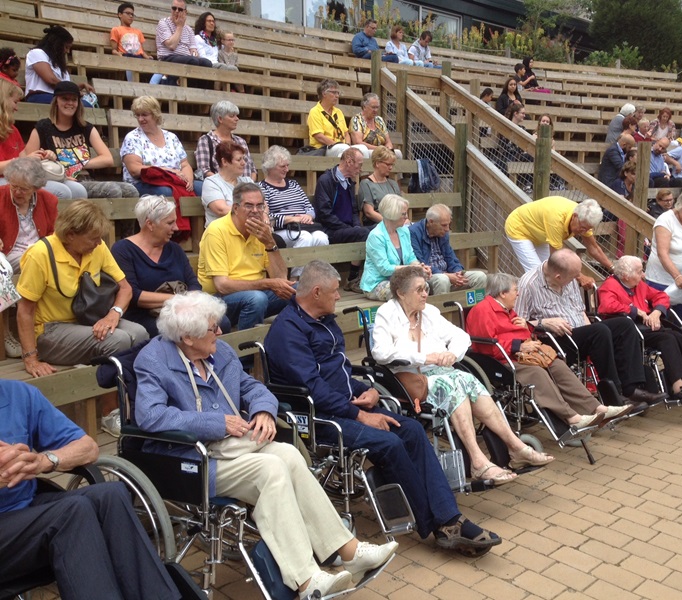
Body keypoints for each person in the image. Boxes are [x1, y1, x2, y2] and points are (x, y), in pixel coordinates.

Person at [134, 292, 397, 597]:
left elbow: (253, 386)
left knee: (288, 454)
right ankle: (307, 580)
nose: (220, 332)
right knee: (271, 469)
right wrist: (216, 422)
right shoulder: (154, 361)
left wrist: (262, 409)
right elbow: (150, 416)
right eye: (213, 328)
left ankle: (349, 552)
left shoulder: (219, 353)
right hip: (191, 459)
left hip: (234, 447)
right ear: (187, 337)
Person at [267, 261, 502, 553]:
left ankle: (448, 516)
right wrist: (361, 414)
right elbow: (312, 388)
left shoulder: (324, 321)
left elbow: (338, 374)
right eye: (335, 291)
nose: (340, 296)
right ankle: (436, 523)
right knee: (389, 442)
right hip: (318, 416)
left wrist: (367, 391)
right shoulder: (288, 332)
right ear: (316, 292)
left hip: (346, 404)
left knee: (413, 429)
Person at [0, 379, 196, 600]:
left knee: (111, 495)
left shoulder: (18, 394)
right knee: (72, 512)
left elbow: (88, 447)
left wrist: (44, 460)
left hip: (24, 511)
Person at [371, 266, 555, 483]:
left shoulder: (428, 312)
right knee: (457, 382)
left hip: (441, 371)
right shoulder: (387, 313)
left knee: (468, 380)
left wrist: (451, 354)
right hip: (409, 376)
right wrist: (426, 357)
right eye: (419, 290)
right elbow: (380, 353)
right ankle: (478, 461)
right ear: (401, 293)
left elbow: (461, 337)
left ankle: (516, 447)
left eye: (426, 288)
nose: (425, 294)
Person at [467, 273, 633, 428]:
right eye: (515, 290)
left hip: (525, 354)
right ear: (503, 293)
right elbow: (486, 345)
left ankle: (597, 409)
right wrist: (519, 346)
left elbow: (524, 334)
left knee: (557, 365)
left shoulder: (509, 310)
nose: (518, 294)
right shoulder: (482, 311)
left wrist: (527, 326)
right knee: (537, 373)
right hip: (501, 360)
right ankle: (572, 418)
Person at [514, 249, 667, 408]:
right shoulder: (529, 284)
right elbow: (518, 322)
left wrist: (591, 329)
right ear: (558, 276)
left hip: (580, 333)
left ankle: (631, 388)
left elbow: (580, 310)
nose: (577, 278)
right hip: (555, 339)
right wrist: (543, 322)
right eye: (574, 276)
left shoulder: (569, 277)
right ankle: (613, 394)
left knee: (624, 324)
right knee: (599, 331)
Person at [16, 200, 148, 382]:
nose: (99, 242)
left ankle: (132, 397)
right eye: (94, 238)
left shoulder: (97, 248)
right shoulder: (40, 254)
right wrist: (30, 358)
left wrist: (113, 314)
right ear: (70, 235)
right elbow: (25, 310)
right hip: (51, 330)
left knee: (140, 333)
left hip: (89, 320)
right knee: (118, 340)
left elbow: (125, 288)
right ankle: (113, 403)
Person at [598, 256, 682, 402]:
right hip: (628, 334)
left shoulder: (638, 284)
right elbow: (607, 306)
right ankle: (681, 386)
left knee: (678, 335)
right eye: (639, 272)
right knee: (668, 338)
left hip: (645, 328)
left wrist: (656, 312)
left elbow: (661, 296)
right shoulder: (610, 285)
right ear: (626, 276)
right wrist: (635, 310)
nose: (643, 275)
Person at [198, 182, 293, 330]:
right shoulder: (216, 231)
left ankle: (284, 345)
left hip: (256, 295)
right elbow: (222, 285)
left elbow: (281, 278)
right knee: (256, 298)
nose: (255, 211)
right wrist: (266, 284)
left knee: (298, 291)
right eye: (249, 205)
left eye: (260, 206)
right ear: (235, 208)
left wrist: (270, 243)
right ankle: (245, 351)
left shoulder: (261, 231)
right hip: (218, 299)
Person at [23, 81, 139, 200]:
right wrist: (60, 175)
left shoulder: (85, 127)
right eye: (65, 99)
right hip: (63, 181)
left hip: (87, 179)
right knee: (112, 190)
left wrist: (78, 164)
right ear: (56, 101)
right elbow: (27, 161)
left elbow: (108, 159)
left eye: (74, 99)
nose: (70, 103)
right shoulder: (43, 127)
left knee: (131, 190)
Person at [111, 195, 206, 338]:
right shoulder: (123, 250)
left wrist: (187, 303)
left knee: (220, 323)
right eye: (170, 223)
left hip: (180, 311)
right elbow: (134, 295)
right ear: (150, 224)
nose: (177, 227)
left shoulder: (175, 249)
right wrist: (179, 300)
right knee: (177, 332)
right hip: (142, 316)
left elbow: (194, 284)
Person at [258, 146, 328, 279]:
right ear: (270, 167)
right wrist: (291, 219)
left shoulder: (294, 184)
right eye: (282, 166)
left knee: (321, 237)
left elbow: (309, 207)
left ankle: (318, 277)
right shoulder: (262, 188)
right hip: (282, 229)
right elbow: (266, 216)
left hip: (305, 225)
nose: (287, 169)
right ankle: (297, 278)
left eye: (287, 165)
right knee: (305, 237)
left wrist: (308, 216)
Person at [0, 81, 76, 199]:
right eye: (15, 102)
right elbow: (21, 160)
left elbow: (23, 156)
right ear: (3, 101)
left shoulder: (12, 129)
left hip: (19, 178)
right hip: (7, 180)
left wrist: (42, 156)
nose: (16, 108)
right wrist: (23, 161)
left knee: (78, 190)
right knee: (62, 192)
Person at [504, 196, 612, 278]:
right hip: (519, 228)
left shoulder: (584, 221)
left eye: (588, 229)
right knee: (537, 274)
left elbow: (594, 249)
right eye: (583, 228)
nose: (584, 232)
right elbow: (557, 259)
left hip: (539, 233)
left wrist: (612, 268)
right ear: (575, 216)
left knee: (548, 272)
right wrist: (580, 277)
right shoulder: (556, 219)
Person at [121, 95, 202, 197]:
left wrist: (188, 180)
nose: (140, 119)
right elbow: (134, 169)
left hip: (173, 180)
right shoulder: (132, 138)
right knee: (166, 192)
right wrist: (168, 171)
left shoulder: (171, 137)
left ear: (155, 115)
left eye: (144, 115)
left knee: (203, 188)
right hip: (143, 183)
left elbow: (184, 164)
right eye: (137, 115)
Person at [313, 148, 370, 291]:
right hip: (330, 230)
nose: (361, 169)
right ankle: (352, 278)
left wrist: (356, 226)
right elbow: (324, 214)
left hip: (347, 229)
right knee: (364, 234)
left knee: (375, 232)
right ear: (349, 162)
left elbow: (354, 211)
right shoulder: (326, 180)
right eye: (359, 164)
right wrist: (349, 228)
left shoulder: (349, 182)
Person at [644, 186, 682, 321]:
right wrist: (677, 276)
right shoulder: (665, 220)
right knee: (662, 320)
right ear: (680, 203)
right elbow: (662, 253)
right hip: (661, 280)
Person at [360, 195, 427, 301]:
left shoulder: (404, 231)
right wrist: (411, 269)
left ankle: (416, 317)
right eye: (403, 214)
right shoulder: (376, 236)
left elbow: (410, 257)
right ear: (393, 214)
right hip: (377, 283)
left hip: (399, 280)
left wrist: (419, 267)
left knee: (424, 286)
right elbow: (385, 269)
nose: (407, 217)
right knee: (403, 292)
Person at [409, 203, 487, 295]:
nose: (447, 229)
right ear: (431, 222)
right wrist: (446, 275)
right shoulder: (413, 233)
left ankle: (473, 309)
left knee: (480, 277)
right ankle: (443, 309)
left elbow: (450, 257)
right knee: (443, 280)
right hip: (428, 276)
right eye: (444, 225)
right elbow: (420, 263)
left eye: (449, 224)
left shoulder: (442, 234)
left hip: (448, 274)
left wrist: (458, 272)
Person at [0, 158, 58, 274]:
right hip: (8, 254)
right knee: (36, 262)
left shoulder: (48, 200)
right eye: (14, 186)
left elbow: (54, 232)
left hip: (40, 252)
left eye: (23, 189)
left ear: (35, 188)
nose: (17, 192)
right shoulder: (1, 196)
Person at [25, 26, 94, 106]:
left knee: (88, 105)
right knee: (84, 106)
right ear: (56, 44)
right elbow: (52, 81)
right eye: (66, 47)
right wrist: (75, 91)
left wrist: (80, 86)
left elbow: (64, 86)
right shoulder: (37, 53)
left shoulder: (60, 66)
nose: (67, 51)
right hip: (40, 96)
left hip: (60, 97)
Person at [195, 100, 256, 181]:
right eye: (232, 116)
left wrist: (250, 185)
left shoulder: (241, 141)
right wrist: (226, 184)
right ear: (220, 119)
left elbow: (252, 170)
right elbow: (204, 170)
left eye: (236, 116)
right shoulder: (206, 140)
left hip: (246, 187)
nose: (237, 119)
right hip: (221, 188)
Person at [306, 79, 365, 158]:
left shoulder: (338, 112)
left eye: (338, 93)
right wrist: (338, 145)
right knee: (343, 150)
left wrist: (347, 145)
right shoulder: (315, 111)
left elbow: (346, 133)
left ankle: (361, 170)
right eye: (334, 92)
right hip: (323, 148)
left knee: (362, 149)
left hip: (341, 147)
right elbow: (319, 136)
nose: (337, 96)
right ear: (324, 93)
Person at [200, 141, 254, 227]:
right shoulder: (211, 183)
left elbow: (263, 205)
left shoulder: (248, 181)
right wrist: (253, 214)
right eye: (239, 159)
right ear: (224, 162)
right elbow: (221, 210)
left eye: (243, 159)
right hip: (222, 233)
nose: (244, 163)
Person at [155, 0, 212, 68]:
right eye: (174, 8)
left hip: (186, 58)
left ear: (185, 12)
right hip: (167, 57)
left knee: (207, 63)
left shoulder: (189, 29)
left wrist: (194, 53)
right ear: (171, 9)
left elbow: (193, 49)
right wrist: (179, 27)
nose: (176, 11)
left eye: (180, 9)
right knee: (192, 61)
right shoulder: (163, 23)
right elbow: (171, 46)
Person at [349, 93, 400, 160]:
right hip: (367, 150)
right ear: (364, 107)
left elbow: (388, 141)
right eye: (373, 107)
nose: (375, 110)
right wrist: (379, 149)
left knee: (398, 153)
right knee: (366, 152)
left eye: (377, 107)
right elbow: (358, 142)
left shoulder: (379, 120)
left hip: (382, 150)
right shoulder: (356, 119)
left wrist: (389, 149)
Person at [358, 145, 400, 226]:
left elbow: (401, 207)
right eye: (388, 164)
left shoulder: (393, 184)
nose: (391, 168)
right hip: (377, 225)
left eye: (392, 165)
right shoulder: (366, 184)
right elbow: (369, 212)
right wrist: (390, 223)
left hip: (396, 224)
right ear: (377, 163)